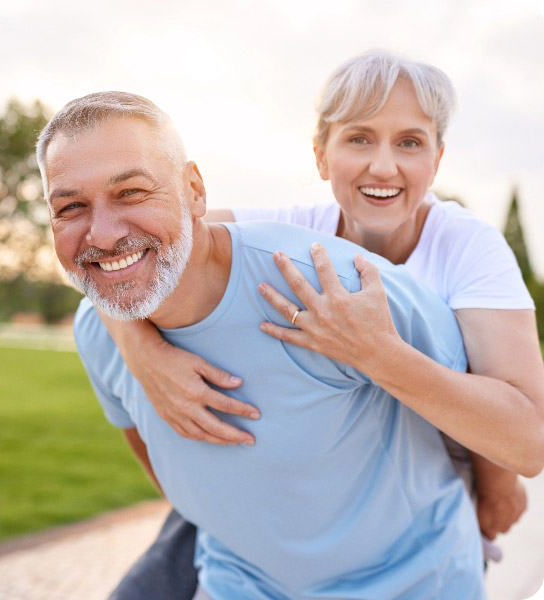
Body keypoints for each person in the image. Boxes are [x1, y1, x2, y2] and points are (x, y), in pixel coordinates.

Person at [101, 52, 544, 598]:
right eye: (359, 138)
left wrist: (378, 355)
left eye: (409, 142)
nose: (384, 166)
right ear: (320, 154)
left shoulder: (470, 249)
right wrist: (140, 349)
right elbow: (130, 251)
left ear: (438, 158)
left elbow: (529, 441)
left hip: (409, 515)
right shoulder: (290, 232)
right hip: (271, 499)